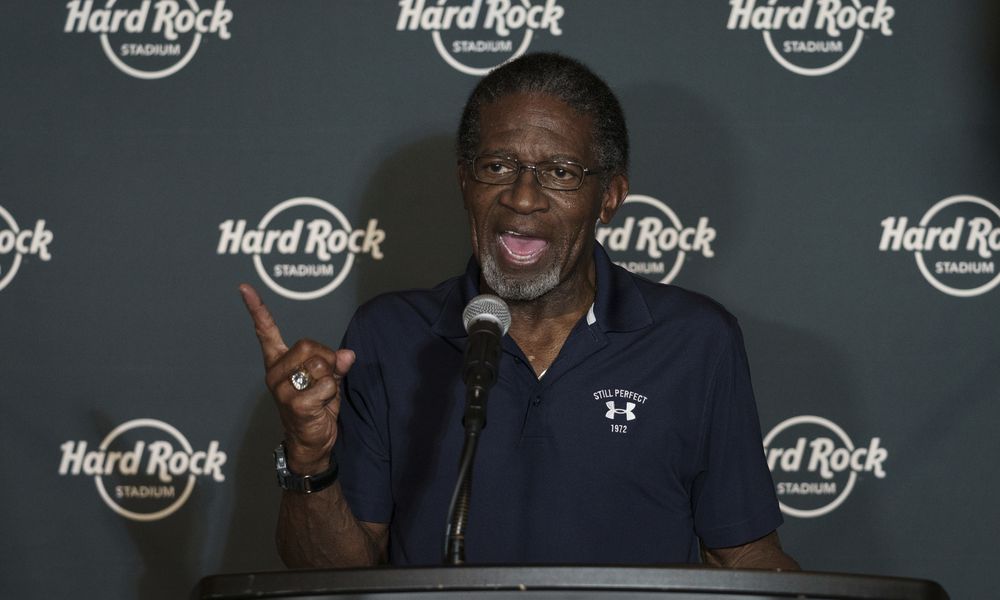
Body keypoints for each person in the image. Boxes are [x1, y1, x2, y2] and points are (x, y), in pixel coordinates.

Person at [240, 52, 798, 570]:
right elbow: (339, 576)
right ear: (465, 182)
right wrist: (309, 461)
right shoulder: (386, 336)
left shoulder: (695, 341)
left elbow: (743, 554)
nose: (523, 196)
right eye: (498, 166)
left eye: (560, 172)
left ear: (610, 196)